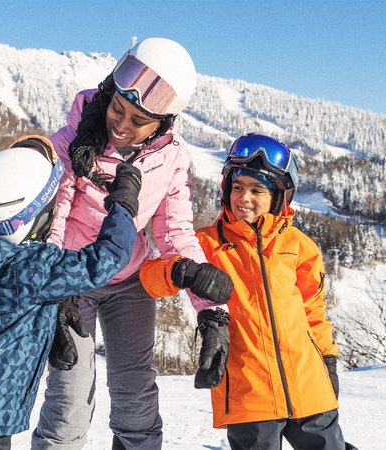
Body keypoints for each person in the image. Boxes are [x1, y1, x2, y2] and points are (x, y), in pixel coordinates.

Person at [32, 38, 233, 450]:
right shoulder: (75, 138)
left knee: (135, 392)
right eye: (117, 109)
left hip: (129, 283)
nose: (121, 125)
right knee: (69, 394)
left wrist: (212, 313)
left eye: (138, 120)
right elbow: (52, 218)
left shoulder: (172, 156)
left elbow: (176, 233)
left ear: (163, 121)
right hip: (73, 280)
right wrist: (51, 289)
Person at [0, 135, 144, 450]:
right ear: (35, 220)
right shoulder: (28, 267)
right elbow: (104, 261)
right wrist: (123, 205)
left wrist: (50, 308)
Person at [140, 134, 348, 449]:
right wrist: (181, 270)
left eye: (257, 190)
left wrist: (328, 359)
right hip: (249, 394)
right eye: (238, 187)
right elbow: (149, 279)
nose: (244, 198)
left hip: (309, 387)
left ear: (279, 196)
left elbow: (314, 313)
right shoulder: (206, 244)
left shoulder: (299, 246)